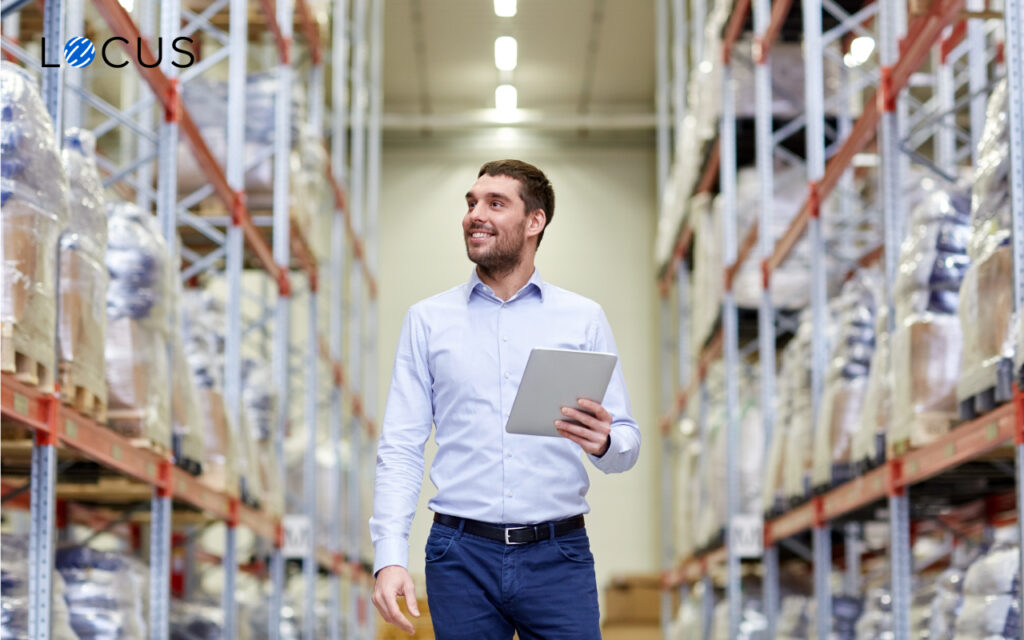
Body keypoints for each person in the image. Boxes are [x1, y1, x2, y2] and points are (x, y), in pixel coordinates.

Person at [370, 159, 641, 639]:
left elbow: (626, 442)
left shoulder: (582, 318)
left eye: (495, 204)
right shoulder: (428, 321)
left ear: (534, 221)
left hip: (558, 555)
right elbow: (401, 447)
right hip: (460, 556)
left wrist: (604, 443)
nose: (475, 214)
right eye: (471, 203)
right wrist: (389, 557)